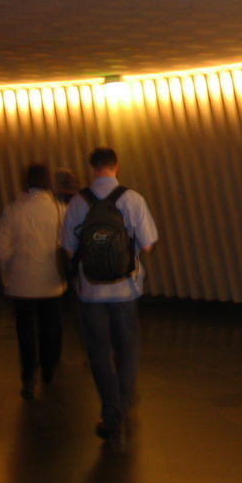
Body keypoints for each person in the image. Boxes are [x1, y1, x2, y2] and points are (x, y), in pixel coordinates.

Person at [60, 147, 158, 451]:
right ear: (116, 166)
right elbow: (149, 245)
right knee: (127, 350)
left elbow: (68, 248)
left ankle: (111, 412)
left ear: (92, 169)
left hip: (90, 292)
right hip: (125, 290)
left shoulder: (79, 202)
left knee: (99, 355)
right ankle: (126, 404)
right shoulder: (132, 199)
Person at [0, 163, 67, 398]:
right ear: (48, 181)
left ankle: (28, 374)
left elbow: (1, 249)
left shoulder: (13, 210)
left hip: (21, 280)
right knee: (50, 327)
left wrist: (10, 267)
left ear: (26, 181)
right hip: (52, 281)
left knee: (25, 330)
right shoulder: (59, 209)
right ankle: (48, 368)